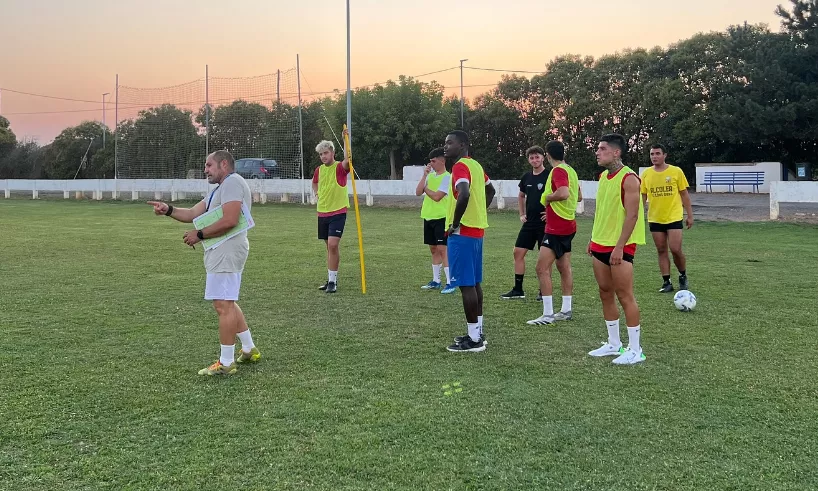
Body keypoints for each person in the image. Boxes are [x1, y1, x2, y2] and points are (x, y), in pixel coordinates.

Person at [148, 150, 260, 376]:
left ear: (224, 164)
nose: (205, 169)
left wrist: (199, 235)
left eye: (209, 165)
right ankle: (248, 348)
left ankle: (226, 362)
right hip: (223, 251)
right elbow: (191, 213)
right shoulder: (220, 189)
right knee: (226, 301)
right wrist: (168, 209)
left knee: (223, 305)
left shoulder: (232, 183)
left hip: (226, 251)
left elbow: (230, 219)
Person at [587, 134, 647, 365]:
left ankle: (635, 349)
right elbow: (602, 211)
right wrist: (593, 239)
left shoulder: (630, 178)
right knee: (605, 292)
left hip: (620, 246)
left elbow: (632, 215)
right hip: (600, 243)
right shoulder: (603, 177)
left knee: (625, 295)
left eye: (602, 149)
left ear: (616, 152)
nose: (598, 152)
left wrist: (620, 247)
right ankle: (614, 344)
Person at [444, 130, 496, 353]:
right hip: (476, 231)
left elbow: (463, 194)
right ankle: (477, 332)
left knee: (466, 285)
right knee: (474, 283)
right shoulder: (476, 165)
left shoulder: (460, 166)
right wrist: (478, 212)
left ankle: (474, 341)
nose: (445, 146)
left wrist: (455, 223)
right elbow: (490, 190)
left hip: (463, 233)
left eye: (450, 143)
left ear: (463, 145)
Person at [527, 141, 581, 325]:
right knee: (563, 267)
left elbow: (564, 193)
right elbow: (578, 196)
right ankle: (566, 310)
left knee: (541, 268)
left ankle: (548, 314)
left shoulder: (558, 171)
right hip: (568, 223)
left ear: (548, 155)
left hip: (557, 226)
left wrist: (547, 198)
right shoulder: (571, 170)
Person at [640, 144, 694, 293]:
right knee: (661, 250)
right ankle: (666, 282)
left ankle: (682, 275)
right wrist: (637, 215)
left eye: (657, 153)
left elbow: (684, 194)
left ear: (665, 155)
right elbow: (643, 197)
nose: (654, 157)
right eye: (652, 154)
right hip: (655, 218)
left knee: (675, 249)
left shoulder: (676, 171)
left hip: (674, 216)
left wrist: (690, 215)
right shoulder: (646, 174)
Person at [501, 146, 549, 300]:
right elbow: (521, 196)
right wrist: (522, 214)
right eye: (531, 158)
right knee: (518, 252)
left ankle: (543, 292)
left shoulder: (549, 175)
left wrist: (551, 213)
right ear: (528, 160)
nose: (534, 160)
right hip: (529, 223)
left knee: (545, 258)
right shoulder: (526, 177)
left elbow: (562, 194)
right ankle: (518, 289)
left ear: (543, 157)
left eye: (537, 157)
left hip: (545, 224)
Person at [312, 135, 350, 294]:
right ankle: (330, 278)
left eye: (326, 153)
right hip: (322, 213)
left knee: (333, 245)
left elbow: (348, 159)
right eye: (321, 154)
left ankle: (333, 282)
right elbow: (314, 182)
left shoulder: (340, 168)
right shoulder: (318, 170)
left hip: (338, 211)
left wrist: (345, 139)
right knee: (329, 248)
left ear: (332, 152)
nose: (323, 156)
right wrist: (317, 194)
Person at [415, 147, 456, 294]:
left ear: (442, 161)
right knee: (433, 249)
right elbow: (418, 192)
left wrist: (426, 189)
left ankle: (450, 282)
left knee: (443, 249)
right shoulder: (430, 176)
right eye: (430, 161)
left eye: (433, 161)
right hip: (428, 216)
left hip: (442, 217)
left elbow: (437, 197)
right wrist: (424, 176)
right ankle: (436, 281)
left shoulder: (447, 177)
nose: (430, 164)